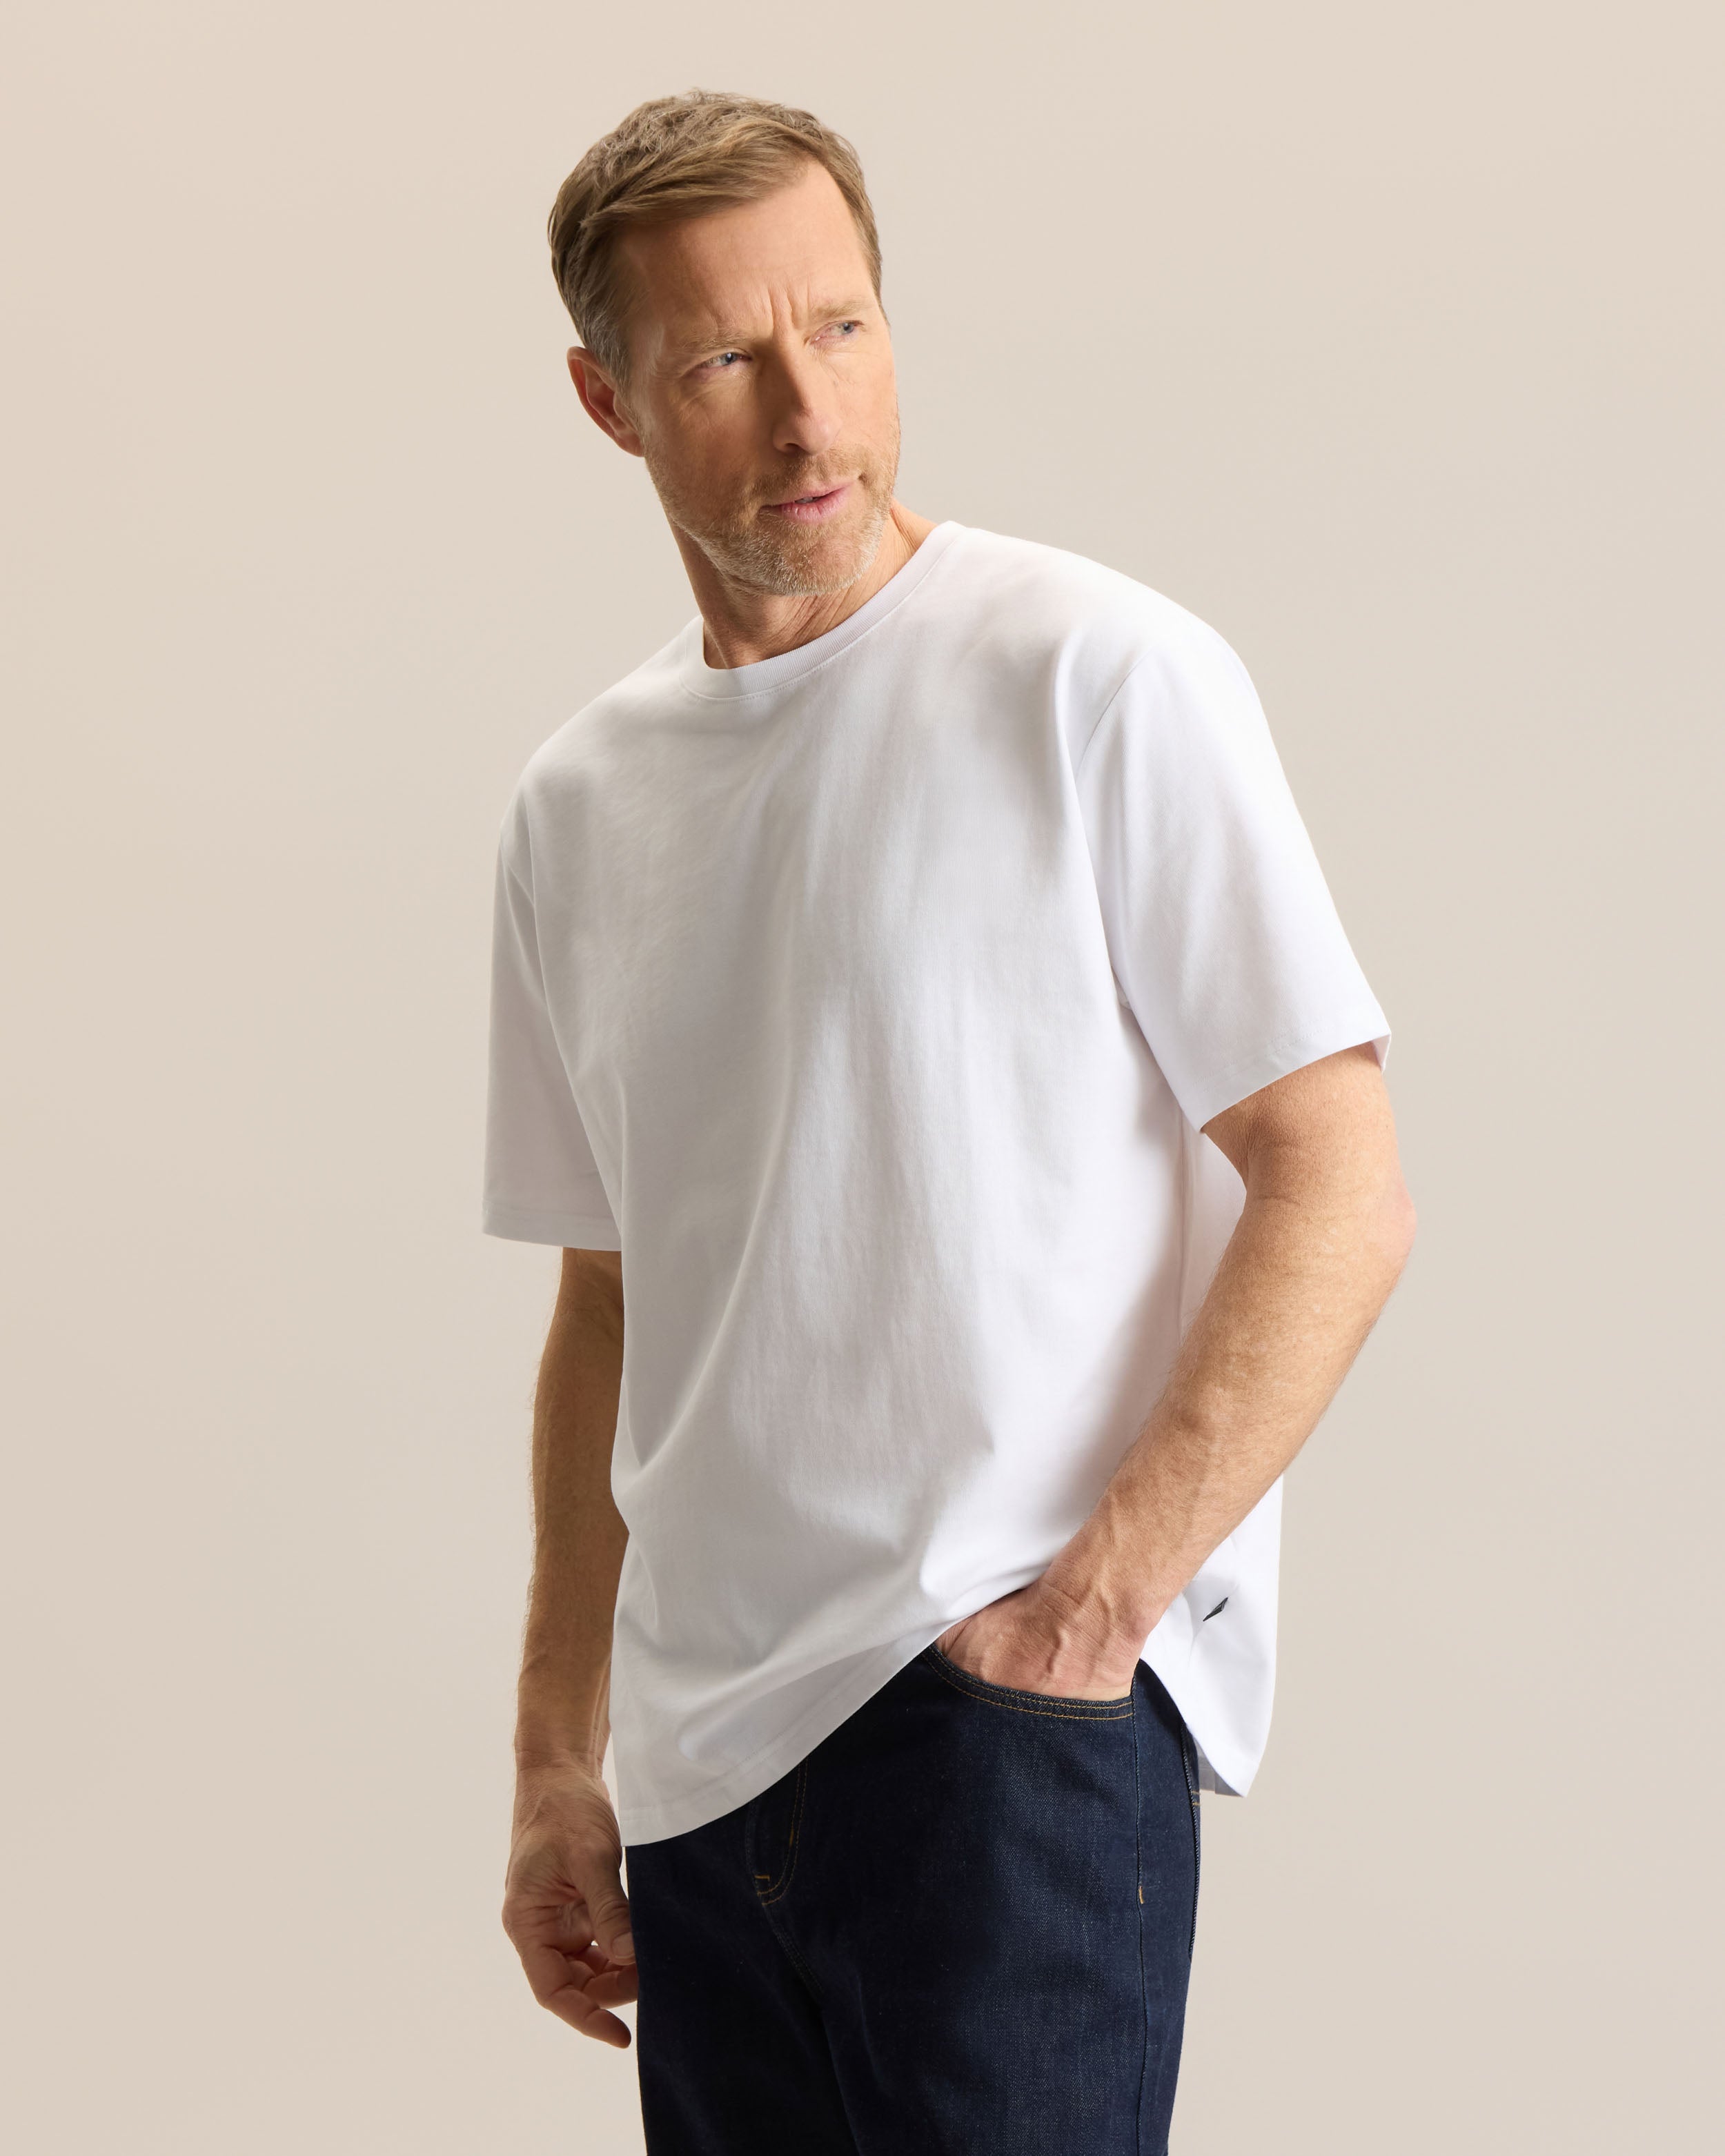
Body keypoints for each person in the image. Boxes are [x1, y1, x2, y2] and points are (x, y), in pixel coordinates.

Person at [483, 87, 1415, 2155]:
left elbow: (1337, 1180)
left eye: (841, 327)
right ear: (609, 401)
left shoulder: (1096, 677)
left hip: (998, 1726)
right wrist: (558, 1754)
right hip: (700, 1782)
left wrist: (1089, 1616)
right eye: (722, 361)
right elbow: (610, 1299)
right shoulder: (578, 808)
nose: (809, 415)